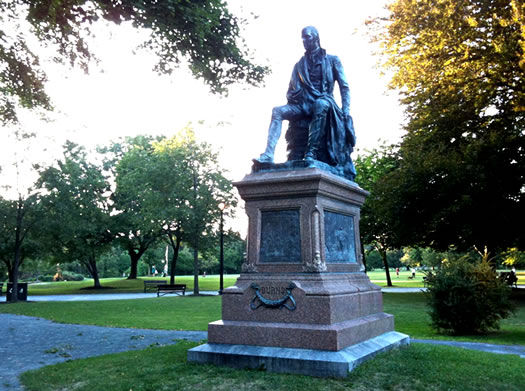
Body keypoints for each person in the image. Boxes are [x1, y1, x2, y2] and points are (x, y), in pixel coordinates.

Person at [254, 26, 356, 180]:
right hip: (302, 105)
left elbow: (344, 87)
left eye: (307, 37)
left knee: (320, 105)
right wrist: (296, 95)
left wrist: (346, 111)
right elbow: (290, 91)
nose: (304, 40)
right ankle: (268, 155)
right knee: (277, 111)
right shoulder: (299, 65)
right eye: (302, 37)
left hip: (324, 101)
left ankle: (311, 152)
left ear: (316, 38)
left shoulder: (332, 60)